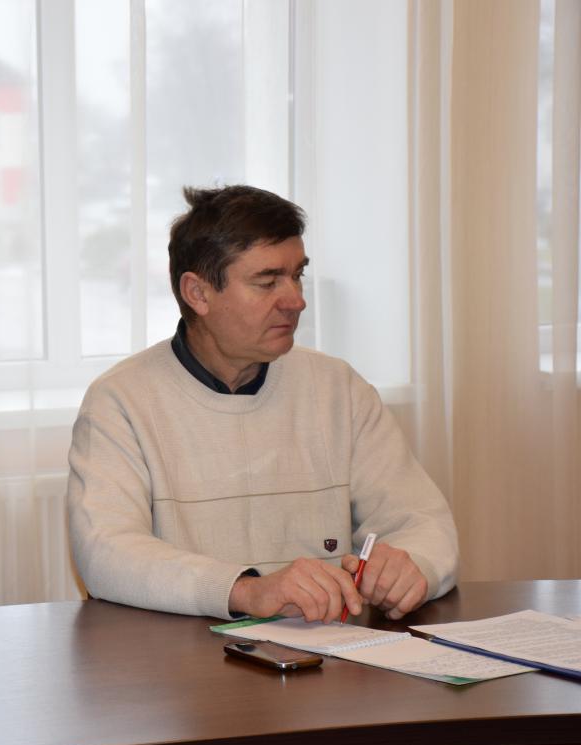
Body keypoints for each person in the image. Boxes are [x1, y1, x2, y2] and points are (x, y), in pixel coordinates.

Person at [68, 185, 458, 624]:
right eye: (267, 282)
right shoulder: (121, 400)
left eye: (297, 275)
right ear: (198, 293)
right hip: (183, 656)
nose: (296, 300)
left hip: (328, 650)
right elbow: (106, 551)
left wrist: (411, 566)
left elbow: (422, 522)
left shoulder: (337, 388)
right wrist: (247, 591)